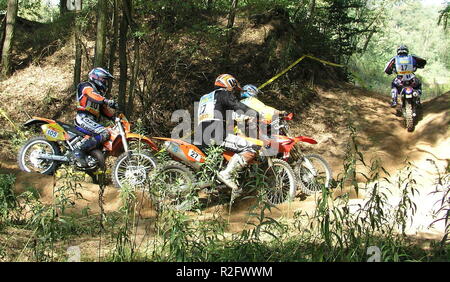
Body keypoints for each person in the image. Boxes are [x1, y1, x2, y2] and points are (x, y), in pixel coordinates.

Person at [196, 74, 259, 197]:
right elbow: (237, 105)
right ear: (228, 84)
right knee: (252, 147)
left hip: (201, 135)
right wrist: (255, 113)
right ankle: (227, 174)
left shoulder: (206, 97)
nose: (234, 92)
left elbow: (220, 113)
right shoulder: (223, 94)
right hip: (216, 134)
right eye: (234, 88)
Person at [72, 67, 118, 167]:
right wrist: (106, 101)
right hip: (83, 118)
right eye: (104, 80)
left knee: (104, 137)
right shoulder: (85, 86)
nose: (105, 83)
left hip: (90, 120)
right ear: (96, 77)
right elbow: (91, 95)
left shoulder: (98, 94)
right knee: (104, 132)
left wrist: (115, 118)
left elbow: (104, 110)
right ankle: (78, 150)